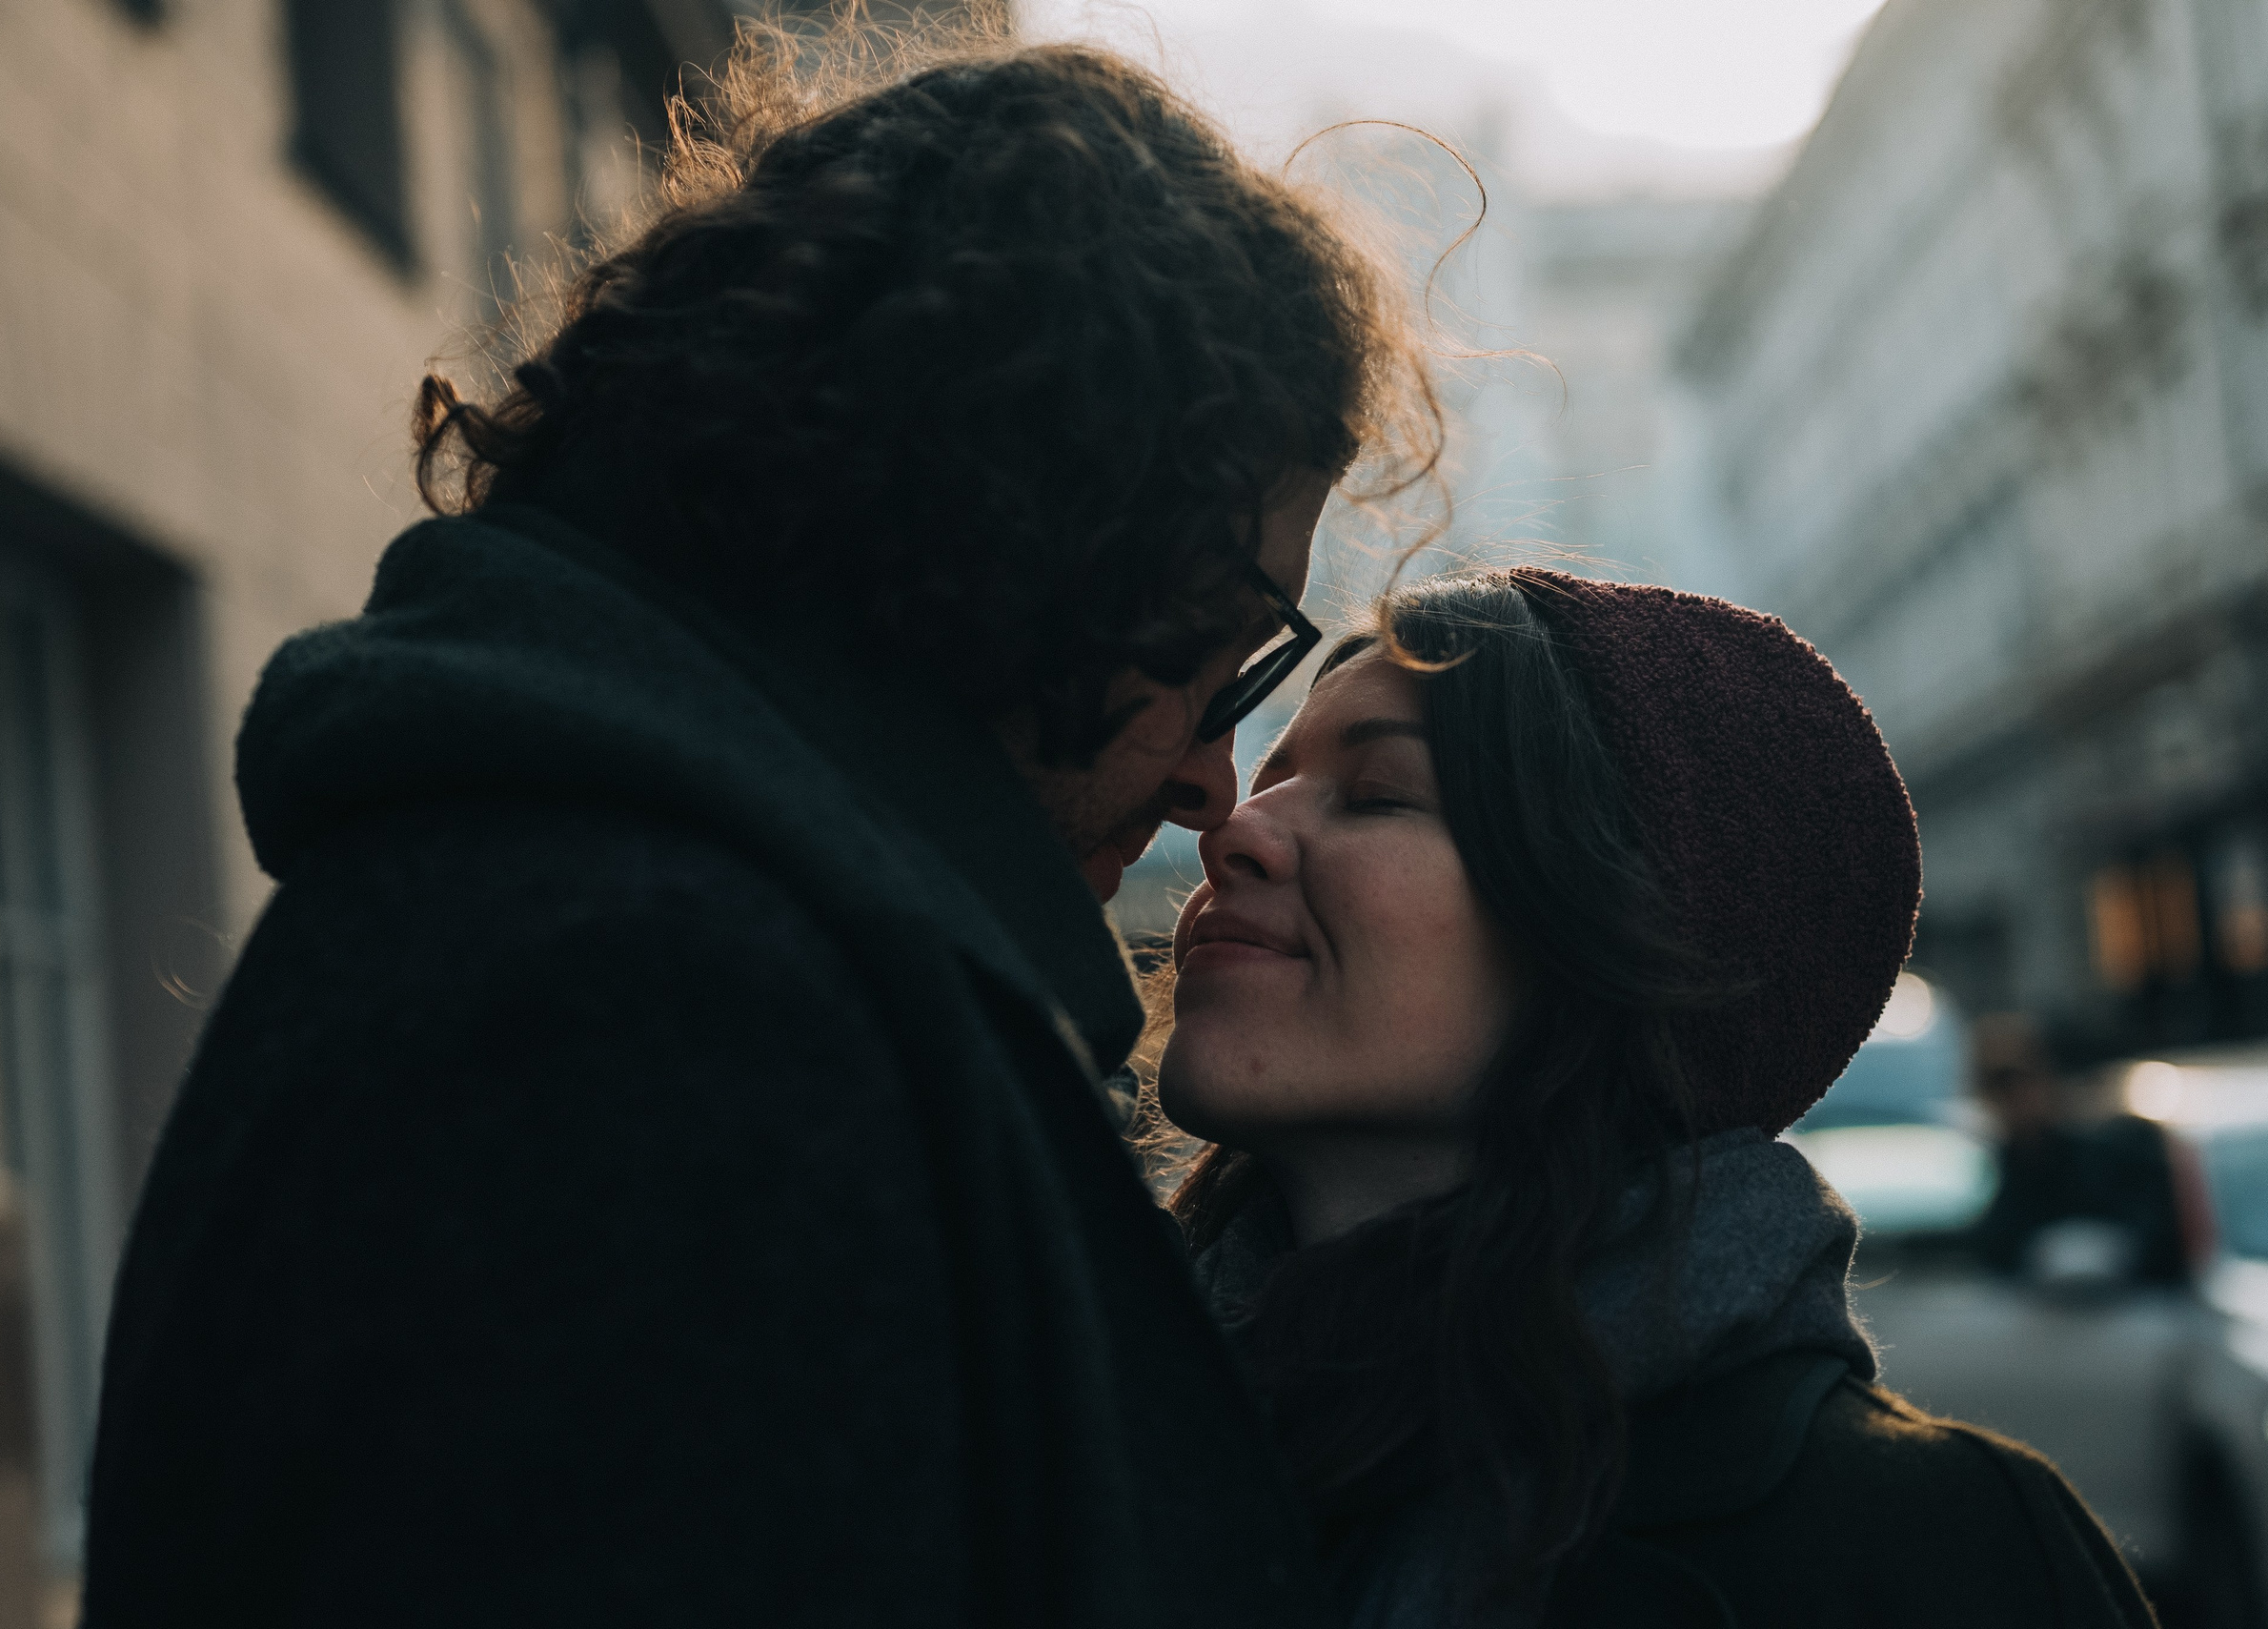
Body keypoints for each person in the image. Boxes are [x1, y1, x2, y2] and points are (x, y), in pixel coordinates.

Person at [82, 23, 1438, 1628]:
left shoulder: (615, 916)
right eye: (1231, 636)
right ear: (1053, 539)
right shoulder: (664, 1017)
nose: (1216, 780)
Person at [1151, 570, 2160, 1626]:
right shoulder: (1072, 1420)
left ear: (1615, 934)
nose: (1233, 827)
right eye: (1269, 779)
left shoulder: (1930, 1546)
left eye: (1377, 795)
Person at [1971, 1014, 2188, 1285]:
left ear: (2049, 1077)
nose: (2010, 1097)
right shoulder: (2009, 1167)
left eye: (2016, 1080)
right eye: (1993, 1084)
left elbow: (2163, 1244)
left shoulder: (2118, 1155)